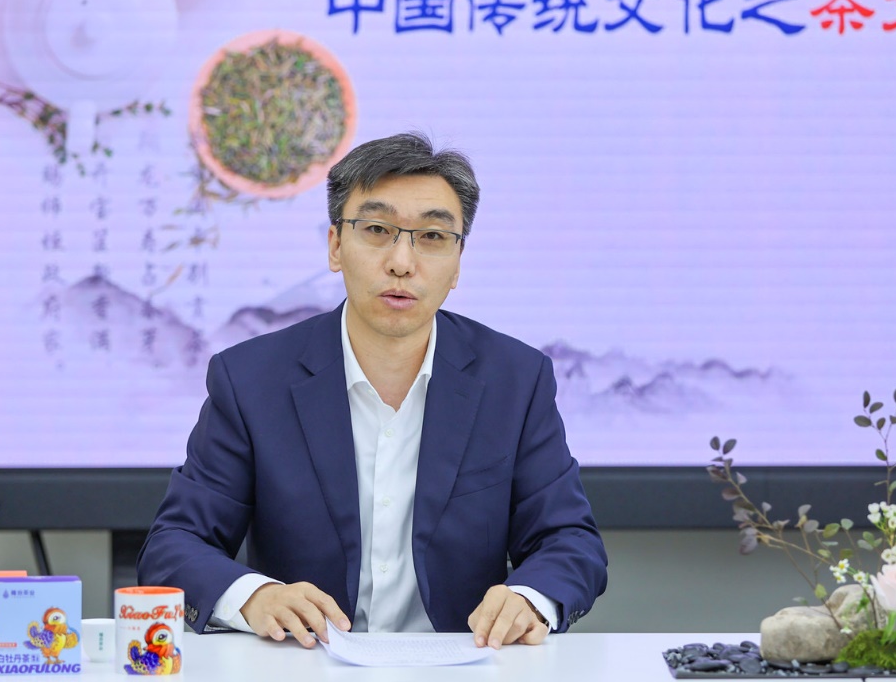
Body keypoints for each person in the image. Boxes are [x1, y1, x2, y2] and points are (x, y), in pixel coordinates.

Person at [138, 132, 607, 649]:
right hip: (303, 669)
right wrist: (255, 597)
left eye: (432, 236)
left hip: (466, 671)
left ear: (458, 263)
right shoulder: (251, 379)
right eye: (378, 230)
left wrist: (530, 598)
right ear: (336, 246)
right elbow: (174, 545)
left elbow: (569, 540)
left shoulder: (515, 380)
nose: (402, 262)